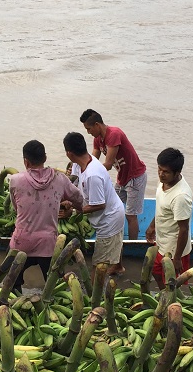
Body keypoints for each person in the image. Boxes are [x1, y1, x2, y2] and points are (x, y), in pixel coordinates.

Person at [8, 139, 84, 292]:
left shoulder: (15, 181)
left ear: (26, 162)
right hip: (48, 245)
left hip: (22, 241)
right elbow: (79, 200)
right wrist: (69, 207)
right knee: (53, 285)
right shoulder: (60, 179)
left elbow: (17, 208)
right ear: (45, 158)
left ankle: (16, 307)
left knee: (12, 282)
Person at [63, 131, 126, 275]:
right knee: (115, 245)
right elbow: (73, 182)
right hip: (111, 209)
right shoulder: (78, 164)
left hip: (109, 218)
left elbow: (99, 205)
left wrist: (72, 211)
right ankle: (118, 267)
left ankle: (95, 295)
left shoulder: (93, 174)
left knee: (98, 266)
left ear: (69, 153)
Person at [80, 109, 148, 241]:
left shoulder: (114, 134)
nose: (88, 132)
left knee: (130, 215)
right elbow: (92, 162)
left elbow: (108, 164)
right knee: (109, 204)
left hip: (135, 177)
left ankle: (132, 244)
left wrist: (89, 173)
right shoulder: (97, 139)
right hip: (122, 178)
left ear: (97, 125)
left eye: (89, 129)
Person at [145, 147, 193, 289]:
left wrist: (177, 258)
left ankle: (170, 304)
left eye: (165, 172)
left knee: (171, 283)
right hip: (161, 241)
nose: (161, 174)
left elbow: (184, 229)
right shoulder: (164, 182)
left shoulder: (180, 197)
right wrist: (152, 226)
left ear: (177, 173)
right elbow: (162, 207)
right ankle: (162, 295)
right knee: (155, 271)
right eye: (159, 169)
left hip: (174, 248)